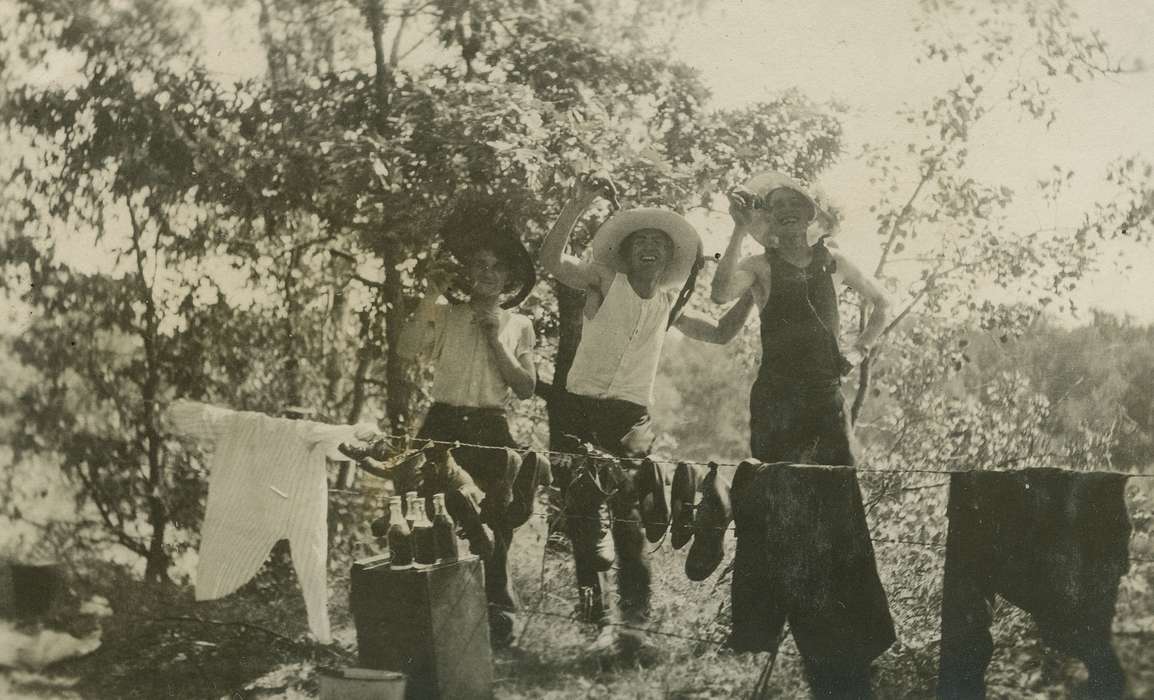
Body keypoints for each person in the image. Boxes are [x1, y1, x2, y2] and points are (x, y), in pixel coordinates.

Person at [539, 173, 750, 661]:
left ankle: (633, 627)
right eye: (642, 242)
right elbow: (551, 262)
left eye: (660, 243)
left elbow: (719, 334)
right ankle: (592, 620)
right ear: (628, 252)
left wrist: (754, 292)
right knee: (582, 515)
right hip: (579, 409)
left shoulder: (665, 305)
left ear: (669, 259)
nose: (650, 248)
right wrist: (576, 204)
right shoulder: (602, 281)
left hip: (630, 417)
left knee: (629, 519)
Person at [392, 199, 544, 650]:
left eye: (498, 267)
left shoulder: (520, 324)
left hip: (490, 427)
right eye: (480, 265)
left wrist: (495, 336)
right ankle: (428, 620)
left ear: (510, 277)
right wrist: (432, 294)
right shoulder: (447, 312)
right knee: (428, 513)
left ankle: (498, 619)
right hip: (442, 422)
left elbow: (525, 387)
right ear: (467, 270)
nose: (488, 274)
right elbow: (406, 350)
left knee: (496, 522)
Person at [711, 171, 890, 467]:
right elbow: (720, 294)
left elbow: (883, 303)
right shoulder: (760, 266)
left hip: (826, 398)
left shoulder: (835, 262)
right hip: (776, 400)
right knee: (777, 493)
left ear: (810, 215)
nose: (786, 211)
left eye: (794, 203)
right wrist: (739, 231)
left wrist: (860, 349)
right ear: (769, 217)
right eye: (777, 206)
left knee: (837, 492)